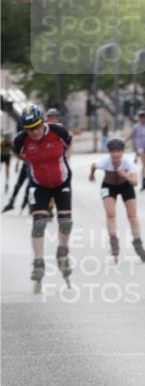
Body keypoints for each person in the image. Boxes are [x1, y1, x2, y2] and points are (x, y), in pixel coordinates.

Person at [12, 104, 74, 292]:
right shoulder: (21, 141)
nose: (35, 132)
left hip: (61, 181)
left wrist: (63, 157)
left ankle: (62, 251)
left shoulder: (57, 131)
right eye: (30, 129)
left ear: (43, 123)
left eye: (38, 127)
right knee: (39, 223)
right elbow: (20, 155)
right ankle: (38, 262)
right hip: (39, 184)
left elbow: (69, 143)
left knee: (65, 222)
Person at [89, 138, 145, 263]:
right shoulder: (105, 162)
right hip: (109, 186)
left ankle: (138, 244)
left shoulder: (128, 163)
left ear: (122, 152)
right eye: (113, 151)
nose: (116, 154)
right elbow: (93, 166)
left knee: (132, 216)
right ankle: (114, 242)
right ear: (109, 152)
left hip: (126, 185)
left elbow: (135, 183)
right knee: (111, 214)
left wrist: (126, 176)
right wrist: (91, 175)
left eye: (118, 151)